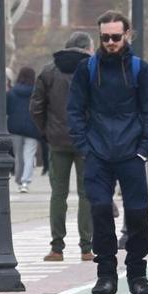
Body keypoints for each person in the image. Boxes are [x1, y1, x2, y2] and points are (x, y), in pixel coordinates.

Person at [67, 10, 148, 294]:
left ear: (128, 35)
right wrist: (85, 147)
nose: (110, 42)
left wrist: (144, 149)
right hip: (98, 154)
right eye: (105, 37)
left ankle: (138, 275)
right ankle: (106, 275)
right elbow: (74, 110)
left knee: (137, 213)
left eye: (115, 37)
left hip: (131, 153)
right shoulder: (87, 69)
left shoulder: (140, 70)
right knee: (99, 210)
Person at [31, 32, 95, 262]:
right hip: (87, 141)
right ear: (87, 48)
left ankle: (57, 247)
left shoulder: (49, 70)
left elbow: (36, 106)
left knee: (58, 194)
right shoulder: (93, 69)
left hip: (57, 141)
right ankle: (86, 247)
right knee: (86, 194)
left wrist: (46, 132)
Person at [7, 67, 41, 193]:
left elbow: (8, 110)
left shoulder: (12, 92)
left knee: (18, 155)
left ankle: (19, 178)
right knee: (29, 155)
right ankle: (25, 181)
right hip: (32, 128)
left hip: (15, 127)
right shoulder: (36, 92)